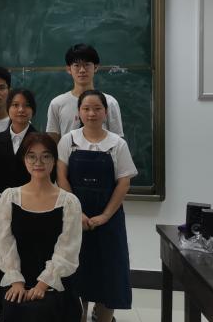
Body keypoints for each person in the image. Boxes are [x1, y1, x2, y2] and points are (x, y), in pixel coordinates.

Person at [57, 90, 136, 322]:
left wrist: (105, 216)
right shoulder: (68, 140)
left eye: (97, 109)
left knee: (109, 273)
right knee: (77, 272)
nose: (91, 113)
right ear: (78, 112)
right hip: (74, 218)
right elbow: (61, 178)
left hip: (109, 220)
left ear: (106, 112)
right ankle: (79, 317)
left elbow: (124, 183)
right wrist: (77, 213)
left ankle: (103, 318)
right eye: (86, 109)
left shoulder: (117, 144)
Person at [0, 132, 82, 322]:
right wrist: (16, 281)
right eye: (32, 156)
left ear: (54, 160)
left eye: (45, 156)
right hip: (16, 277)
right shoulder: (10, 197)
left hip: (56, 280)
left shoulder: (69, 202)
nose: (38, 162)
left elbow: (68, 250)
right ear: (24, 159)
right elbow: (4, 243)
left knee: (42, 310)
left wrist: (43, 284)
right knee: (13, 306)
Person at [46, 44, 124, 141]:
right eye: (76, 65)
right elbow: (52, 142)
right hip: (67, 151)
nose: (82, 70)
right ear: (69, 69)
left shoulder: (109, 102)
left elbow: (117, 140)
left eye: (87, 65)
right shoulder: (57, 103)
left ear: (96, 67)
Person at [0, 88, 38, 193]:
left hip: (32, 199)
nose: (21, 109)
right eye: (15, 105)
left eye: (26, 105)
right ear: (8, 108)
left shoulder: (41, 142)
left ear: (33, 110)